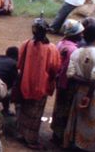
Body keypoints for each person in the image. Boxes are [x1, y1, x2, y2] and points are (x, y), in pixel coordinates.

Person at [15, 18, 61, 149]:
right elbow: (55, 68)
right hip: (41, 86)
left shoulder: (26, 43)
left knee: (24, 109)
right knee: (35, 113)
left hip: (25, 83)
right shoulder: (51, 49)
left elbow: (19, 64)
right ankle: (31, 140)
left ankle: (21, 133)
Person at [63, 20, 95, 151]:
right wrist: (89, 91)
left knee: (79, 118)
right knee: (93, 120)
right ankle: (89, 147)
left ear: (83, 36)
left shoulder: (76, 52)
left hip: (80, 90)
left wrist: (84, 83)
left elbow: (70, 74)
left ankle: (76, 143)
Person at [51, 19, 84, 144]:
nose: (82, 35)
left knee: (58, 107)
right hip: (66, 83)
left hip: (59, 81)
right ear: (74, 34)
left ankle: (56, 134)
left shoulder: (61, 43)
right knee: (65, 110)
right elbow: (68, 70)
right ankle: (61, 137)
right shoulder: (73, 50)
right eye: (80, 33)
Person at [0, 46, 18, 116]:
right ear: (17, 56)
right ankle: (6, 110)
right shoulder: (13, 64)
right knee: (13, 88)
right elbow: (13, 82)